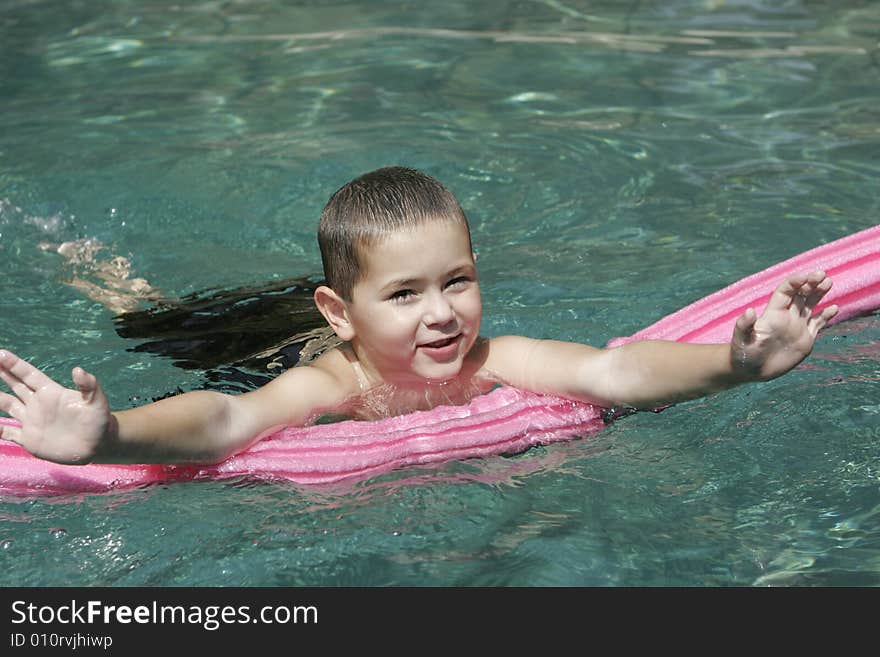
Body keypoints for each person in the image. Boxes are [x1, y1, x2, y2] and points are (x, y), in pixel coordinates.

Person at [0, 166, 838, 467]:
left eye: (458, 281)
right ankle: (98, 272)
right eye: (405, 295)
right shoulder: (331, 376)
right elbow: (226, 417)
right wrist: (110, 440)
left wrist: (738, 364)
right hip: (259, 342)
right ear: (343, 311)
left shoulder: (493, 354)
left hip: (329, 305)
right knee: (151, 314)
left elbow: (612, 368)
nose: (442, 315)